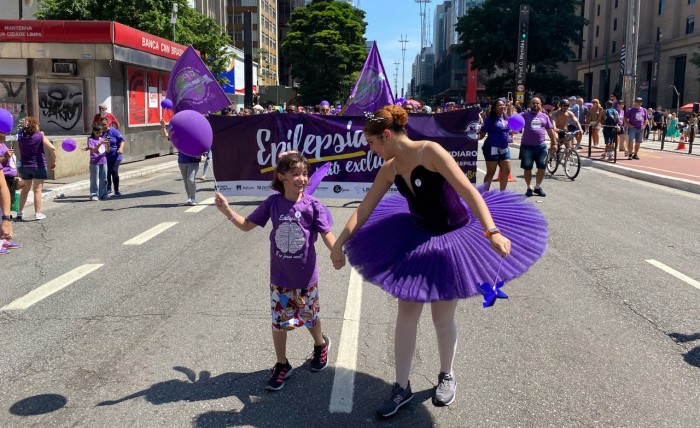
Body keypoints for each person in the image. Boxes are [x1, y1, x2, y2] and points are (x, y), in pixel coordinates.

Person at [330, 105, 547, 418]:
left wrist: (492, 231)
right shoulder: (389, 168)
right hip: (415, 238)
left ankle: (447, 374)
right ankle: (401, 387)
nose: (371, 149)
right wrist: (338, 243)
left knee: (441, 318)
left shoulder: (430, 152)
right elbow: (363, 210)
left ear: (387, 135)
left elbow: (469, 192)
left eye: (373, 143)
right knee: (406, 314)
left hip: (452, 240)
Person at [214, 151, 336, 391]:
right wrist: (227, 211)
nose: (302, 179)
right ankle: (282, 364)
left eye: (305, 173)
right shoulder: (273, 203)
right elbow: (247, 226)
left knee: (310, 317)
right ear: (281, 177)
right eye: (295, 174)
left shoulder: (313, 205)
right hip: (280, 279)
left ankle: (320, 345)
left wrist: (336, 251)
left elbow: (326, 233)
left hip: (305, 278)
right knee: (280, 323)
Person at [16, 117, 56, 221]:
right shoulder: (39, 136)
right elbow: (52, 148)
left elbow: (21, 131)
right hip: (38, 166)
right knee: (37, 190)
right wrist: (54, 161)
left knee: (25, 190)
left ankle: (20, 212)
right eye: (37, 125)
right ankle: (37, 213)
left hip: (24, 166)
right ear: (34, 127)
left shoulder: (20, 136)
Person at [520, 98, 557, 197]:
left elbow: (550, 131)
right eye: (533, 103)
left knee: (542, 168)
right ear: (530, 104)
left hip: (541, 147)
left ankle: (537, 187)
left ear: (541, 105)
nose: (535, 104)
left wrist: (554, 143)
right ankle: (529, 187)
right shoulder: (524, 115)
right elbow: (513, 119)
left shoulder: (545, 116)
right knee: (527, 168)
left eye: (537, 103)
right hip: (527, 146)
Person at [160, 119, 200, 205]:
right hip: (182, 161)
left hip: (193, 161)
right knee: (186, 181)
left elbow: (202, 144)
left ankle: (193, 198)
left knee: (190, 180)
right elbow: (165, 135)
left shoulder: (195, 134)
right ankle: (189, 197)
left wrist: (200, 153)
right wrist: (163, 126)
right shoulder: (178, 135)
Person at [478, 99, 512, 191]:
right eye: (500, 105)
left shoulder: (506, 118)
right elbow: (482, 133)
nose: (502, 106)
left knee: (506, 171)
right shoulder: (490, 119)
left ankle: (502, 195)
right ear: (495, 108)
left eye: (503, 105)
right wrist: (474, 138)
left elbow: (510, 128)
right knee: (491, 172)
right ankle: (484, 194)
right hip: (491, 148)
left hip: (504, 148)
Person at [100, 118, 125, 197]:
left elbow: (122, 140)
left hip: (116, 156)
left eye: (104, 124)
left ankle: (116, 190)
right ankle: (108, 189)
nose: (103, 126)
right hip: (105, 156)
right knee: (107, 173)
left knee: (114, 171)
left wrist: (120, 148)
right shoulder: (100, 133)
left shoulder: (114, 131)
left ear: (108, 124)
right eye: (101, 125)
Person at [83, 125, 109, 200]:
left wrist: (108, 144)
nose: (100, 134)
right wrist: (100, 143)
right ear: (94, 132)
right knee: (94, 179)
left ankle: (103, 193)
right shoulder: (91, 139)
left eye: (101, 132)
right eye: (98, 132)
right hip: (95, 162)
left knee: (104, 179)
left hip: (103, 161)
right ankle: (94, 194)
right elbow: (93, 150)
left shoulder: (102, 139)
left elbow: (107, 151)